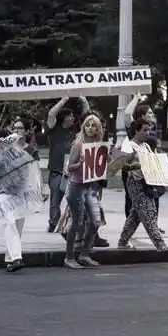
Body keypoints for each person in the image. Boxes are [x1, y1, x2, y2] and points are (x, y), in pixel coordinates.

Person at [117, 119, 168, 251]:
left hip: (147, 182)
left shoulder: (145, 146)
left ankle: (123, 241)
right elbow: (122, 165)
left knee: (136, 215)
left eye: (149, 130)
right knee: (148, 212)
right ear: (136, 130)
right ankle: (160, 245)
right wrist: (136, 165)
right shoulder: (129, 146)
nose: (148, 133)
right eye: (145, 130)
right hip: (135, 182)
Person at [62, 114, 104, 269]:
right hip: (76, 186)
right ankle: (69, 257)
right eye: (88, 125)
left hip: (90, 187)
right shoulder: (78, 144)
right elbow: (69, 168)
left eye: (94, 125)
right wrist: (80, 163)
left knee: (95, 221)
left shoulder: (99, 145)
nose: (90, 128)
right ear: (83, 127)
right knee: (77, 223)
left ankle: (84, 254)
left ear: (98, 128)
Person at [121, 93, 165, 234]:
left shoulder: (151, 130)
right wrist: (135, 98)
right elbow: (127, 114)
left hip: (149, 167)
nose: (152, 114)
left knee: (154, 194)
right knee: (132, 199)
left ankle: (153, 225)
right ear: (142, 115)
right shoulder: (135, 127)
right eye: (149, 113)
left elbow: (154, 149)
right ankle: (130, 230)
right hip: (134, 169)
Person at [2, 117, 41, 272]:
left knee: (17, 226)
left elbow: (36, 171)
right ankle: (16, 257)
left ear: (26, 131)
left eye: (20, 128)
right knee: (9, 222)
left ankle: (10, 259)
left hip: (23, 192)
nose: (16, 131)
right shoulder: (5, 147)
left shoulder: (31, 150)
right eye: (15, 128)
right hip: (6, 191)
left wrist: (39, 190)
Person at [45, 96, 84, 233]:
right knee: (55, 201)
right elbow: (51, 114)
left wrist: (82, 98)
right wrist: (64, 100)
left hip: (72, 171)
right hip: (57, 171)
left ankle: (72, 223)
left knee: (74, 200)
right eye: (70, 115)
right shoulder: (54, 130)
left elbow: (87, 115)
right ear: (64, 117)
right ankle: (53, 223)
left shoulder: (76, 131)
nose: (73, 118)